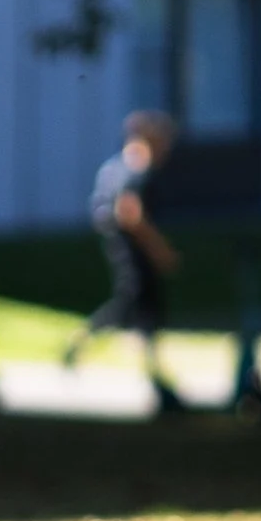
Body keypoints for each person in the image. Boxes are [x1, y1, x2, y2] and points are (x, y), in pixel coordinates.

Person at [63, 110, 185, 412]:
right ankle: (82, 346)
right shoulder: (137, 167)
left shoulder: (118, 166)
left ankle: (152, 371)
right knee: (132, 304)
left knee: (143, 308)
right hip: (133, 249)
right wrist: (159, 249)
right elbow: (130, 212)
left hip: (122, 246)